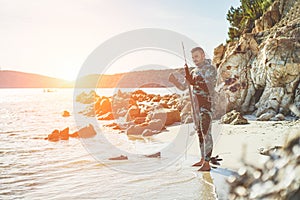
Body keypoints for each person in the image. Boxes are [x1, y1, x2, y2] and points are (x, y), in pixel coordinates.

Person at [184, 47, 217, 171]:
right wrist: (188, 76)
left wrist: (195, 81)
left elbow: (208, 83)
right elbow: (193, 83)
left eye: (196, 57)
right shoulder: (195, 70)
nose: (195, 60)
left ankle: (207, 163)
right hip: (196, 105)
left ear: (203, 55)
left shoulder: (210, 69)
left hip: (206, 105)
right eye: (193, 58)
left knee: (206, 132)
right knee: (199, 132)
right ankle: (202, 158)